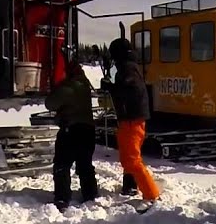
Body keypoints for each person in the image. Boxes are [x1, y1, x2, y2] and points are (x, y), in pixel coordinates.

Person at [104, 37, 161, 208]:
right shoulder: (129, 67)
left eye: (114, 56)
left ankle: (151, 194)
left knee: (132, 160)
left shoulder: (128, 69)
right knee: (127, 158)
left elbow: (130, 91)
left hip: (131, 120)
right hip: (131, 119)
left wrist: (111, 88)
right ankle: (131, 186)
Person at [44, 64, 98, 211]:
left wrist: (57, 86)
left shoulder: (69, 87)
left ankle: (62, 198)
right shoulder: (85, 86)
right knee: (85, 164)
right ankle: (90, 194)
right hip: (88, 130)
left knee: (62, 164)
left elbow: (50, 103)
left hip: (71, 129)